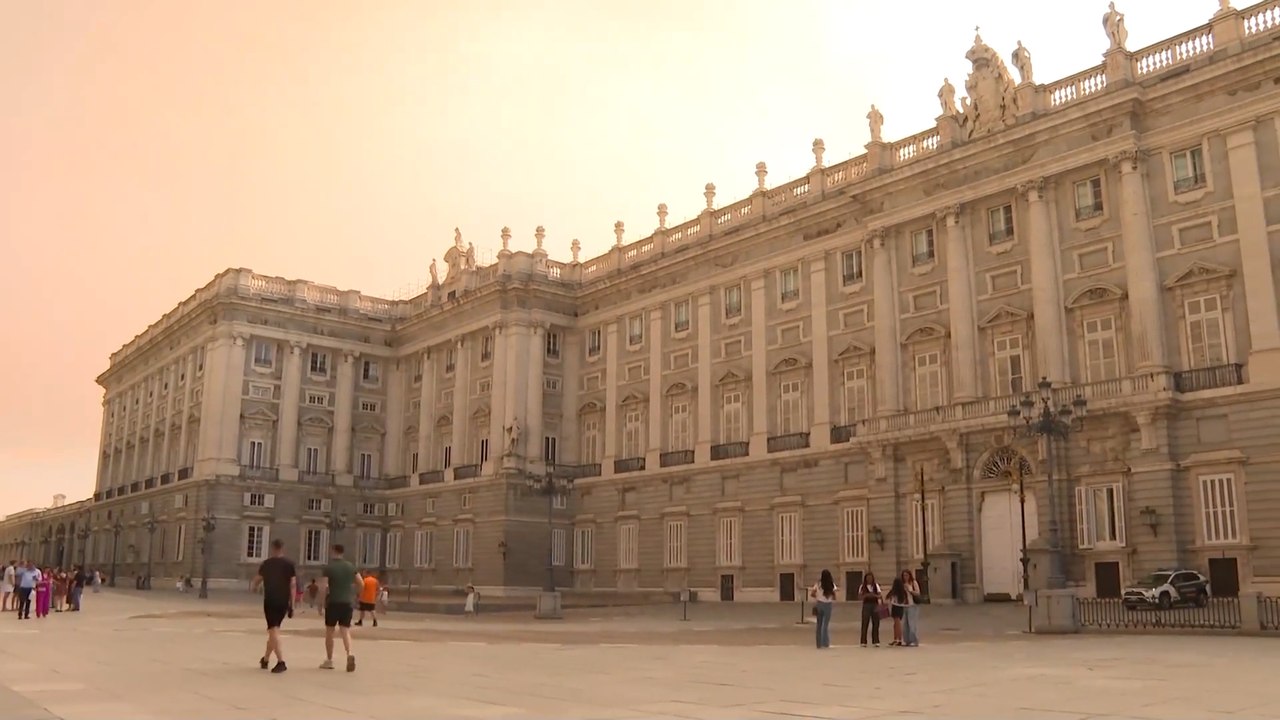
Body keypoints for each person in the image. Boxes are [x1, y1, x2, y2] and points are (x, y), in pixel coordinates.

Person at [251, 539, 297, 674]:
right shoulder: (289, 564)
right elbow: (293, 585)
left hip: (270, 600)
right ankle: (265, 659)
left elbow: (256, 580)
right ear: (283, 548)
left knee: (273, 630)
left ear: (272, 548)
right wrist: (292, 604)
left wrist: (254, 587)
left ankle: (281, 662)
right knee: (274, 631)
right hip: (283, 601)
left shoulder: (267, 564)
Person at [319, 544, 361, 672]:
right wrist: (356, 596)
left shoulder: (329, 568)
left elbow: (324, 587)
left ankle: (329, 660)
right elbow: (361, 583)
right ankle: (349, 653)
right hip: (347, 602)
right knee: (345, 630)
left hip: (333, 602)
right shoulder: (350, 566)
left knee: (330, 631)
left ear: (333, 551)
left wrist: (321, 604)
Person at [808, 570, 837, 649]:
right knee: (825, 625)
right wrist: (828, 596)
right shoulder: (832, 585)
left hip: (819, 604)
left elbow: (812, 594)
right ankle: (825, 643)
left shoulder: (818, 584)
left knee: (819, 625)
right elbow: (834, 596)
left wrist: (818, 596)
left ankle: (819, 643)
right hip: (828, 605)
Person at [858, 572, 884, 647]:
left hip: (875, 605)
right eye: (868, 578)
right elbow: (859, 597)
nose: (869, 579)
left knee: (876, 623)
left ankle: (876, 640)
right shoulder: (862, 587)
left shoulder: (876, 586)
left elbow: (879, 595)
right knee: (865, 623)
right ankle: (863, 641)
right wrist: (866, 596)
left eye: (870, 578)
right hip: (866, 605)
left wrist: (873, 595)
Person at [901, 570, 922, 647]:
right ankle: (907, 640)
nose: (905, 577)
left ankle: (914, 640)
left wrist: (910, 590)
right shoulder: (902, 584)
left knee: (912, 623)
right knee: (905, 624)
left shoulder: (913, 583)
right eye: (904, 575)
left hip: (912, 605)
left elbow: (918, 593)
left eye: (907, 575)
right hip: (904, 605)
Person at [887, 577, 909, 646]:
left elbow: (888, 598)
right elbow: (906, 600)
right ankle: (896, 639)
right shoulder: (903, 591)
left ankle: (899, 639)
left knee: (897, 624)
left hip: (895, 607)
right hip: (900, 607)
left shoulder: (894, 591)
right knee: (896, 624)